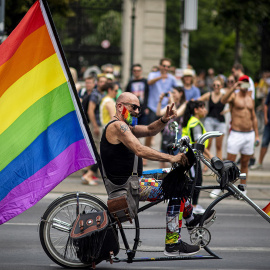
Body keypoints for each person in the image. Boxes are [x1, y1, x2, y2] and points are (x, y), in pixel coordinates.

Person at [100, 92, 215, 256]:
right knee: (176, 188)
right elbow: (139, 150)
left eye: (139, 108)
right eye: (134, 107)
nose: (137, 111)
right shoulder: (118, 126)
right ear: (120, 106)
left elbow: (149, 130)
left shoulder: (125, 127)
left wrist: (163, 120)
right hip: (128, 187)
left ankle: (190, 220)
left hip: (133, 180)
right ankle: (173, 243)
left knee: (177, 175)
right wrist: (171, 157)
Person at [219, 75, 260, 196]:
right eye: (243, 83)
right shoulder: (234, 95)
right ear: (239, 84)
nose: (245, 86)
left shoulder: (250, 98)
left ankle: (243, 188)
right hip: (236, 133)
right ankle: (226, 186)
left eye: (247, 83)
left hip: (249, 134)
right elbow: (223, 100)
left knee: (245, 163)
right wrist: (233, 87)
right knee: (229, 163)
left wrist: (257, 135)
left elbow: (253, 117)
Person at [145, 58, 177, 165]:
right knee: (150, 132)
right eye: (164, 65)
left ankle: (162, 156)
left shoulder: (171, 78)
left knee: (165, 133)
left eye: (168, 66)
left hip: (164, 109)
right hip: (153, 107)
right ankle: (145, 156)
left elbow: (176, 90)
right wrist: (160, 77)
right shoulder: (154, 75)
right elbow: (149, 82)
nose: (166, 68)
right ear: (160, 66)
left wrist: (171, 96)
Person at [182, 100, 212, 213]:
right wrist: (210, 155)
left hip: (191, 155)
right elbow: (197, 143)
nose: (205, 110)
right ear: (196, 110)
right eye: (202, 108)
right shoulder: (195, 123)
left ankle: (192, 205)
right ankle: (191, 206)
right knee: (196, 181)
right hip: (192, 156)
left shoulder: (193, 121)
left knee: (195, 180)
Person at [156, 87, 186, 168]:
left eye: (174, 92)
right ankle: (162, 178)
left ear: (180, 93)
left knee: (175, 158)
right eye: (172, 93)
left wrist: (171, 99)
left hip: (177, 134)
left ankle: (175, 178)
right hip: (167, 133)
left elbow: (176, 113)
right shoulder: (170, 105)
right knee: (162, 156)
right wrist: (160, 101)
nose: (172, 94)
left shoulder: (184, 104)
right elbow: (158, 113)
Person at [198, 78, 226, 160]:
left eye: (218, 85)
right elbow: (198, 101)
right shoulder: (209, 95)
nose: (216, 87)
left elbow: (233, 103)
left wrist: (227, 111)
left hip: (220, 122)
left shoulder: (224, 96)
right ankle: (206, 166)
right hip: (209, 120)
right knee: (208, 145)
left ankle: (219, 167)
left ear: (221, 86)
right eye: (214, 85)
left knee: (219, 146)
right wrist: (203, 110)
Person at [250, 89, 270, 170]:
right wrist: (265, 117)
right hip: (269, 123)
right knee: (264, 142)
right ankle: (259, 163)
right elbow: (266, 104)